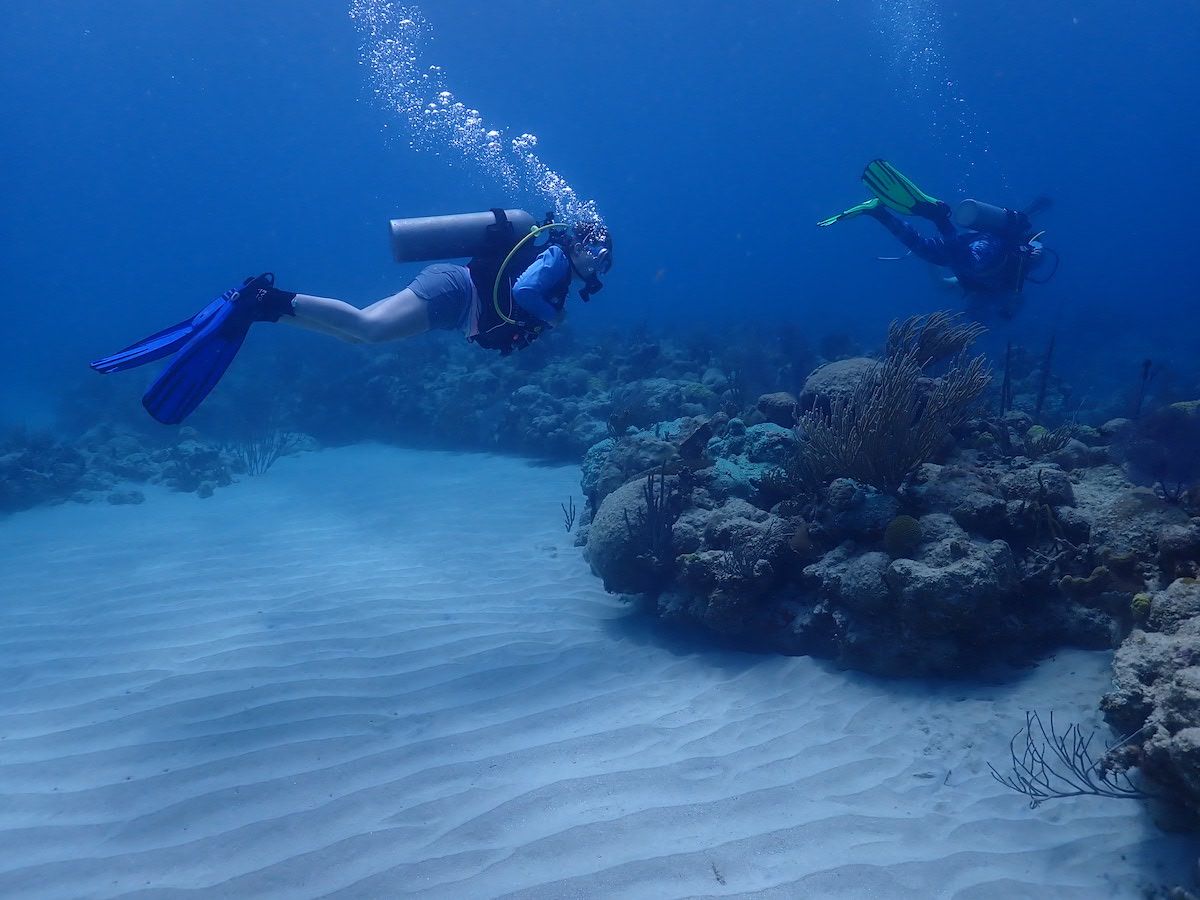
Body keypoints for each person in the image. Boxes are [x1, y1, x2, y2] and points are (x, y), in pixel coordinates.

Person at [90, 210, 613, 424]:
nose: (600, 266)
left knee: (361, 338)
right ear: (584, 245)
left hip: (455, 299)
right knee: (366, 329)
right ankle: (262, 297)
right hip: (455, 292)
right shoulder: (556, 259)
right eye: (601, 255)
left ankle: (266, 308)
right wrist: (553, 319)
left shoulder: (559, 262)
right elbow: (522, 289)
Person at [818, 159, 1055, 319]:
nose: (972, 306)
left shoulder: (968, 288)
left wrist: (933, 261)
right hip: (993, 244)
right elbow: (1036, 251)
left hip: (965, 245)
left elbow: (940, 282)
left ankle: (878, 211)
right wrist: (1036, 250)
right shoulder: (1007, 293)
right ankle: (939, 218)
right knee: (965, 262)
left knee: (924, 249)